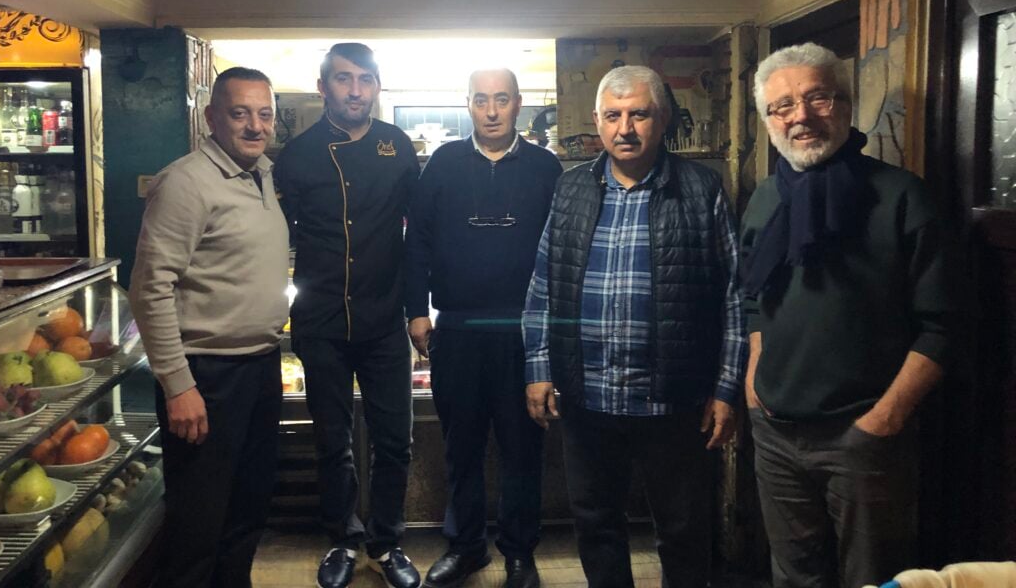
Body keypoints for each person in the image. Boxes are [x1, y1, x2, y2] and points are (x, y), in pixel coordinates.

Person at [740, 43, 956, 588]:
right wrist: (754, 385)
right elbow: (751, 300)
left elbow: (944, 326)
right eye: (782, 106)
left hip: (862, 435)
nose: (801, 116)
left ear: (845, 103)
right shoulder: (766, 198)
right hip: (777, 431)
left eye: (817, 97)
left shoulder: (901, 197)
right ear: (768, 120)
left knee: (876, 578)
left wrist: (881, 421)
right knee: (794, 578)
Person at [523, 65, 747, 588]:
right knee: (597, 525)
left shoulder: (701, 189)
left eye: (639, 114)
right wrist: (537, 369)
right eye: (612, 115)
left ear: (662, 119)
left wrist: (727, 388)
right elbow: (542, 287)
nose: (625, 128)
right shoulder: (570, 188)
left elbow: (735, 296)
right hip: (587, 396)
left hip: (672, 399)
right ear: (598, 122)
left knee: (684, 529)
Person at [129, 67, 288, 587]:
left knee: (246, 512)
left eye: (264, 114)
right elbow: (149, 288)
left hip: (258, 367)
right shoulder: (186, 182)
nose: (254, 125)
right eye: (240, 113)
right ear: (211, 118)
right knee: (199, 523)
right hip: (206, 377)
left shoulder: (262, 172)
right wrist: (178, 386)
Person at [405, 69, 562, 588]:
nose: (491, 111)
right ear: (467, 105)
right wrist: (416, 310)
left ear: (518, 104)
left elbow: (562, 252)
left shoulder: (545, 167)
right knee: (461, 446)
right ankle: (466, 546)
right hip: (459, 330)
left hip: (525, 332)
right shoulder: (445, 163)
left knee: (522, 449)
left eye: (501, 100)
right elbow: (417, 243)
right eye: (480, 100)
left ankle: (520, 552)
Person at [273, 43, 421, 588]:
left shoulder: (398, 146)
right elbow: (273, 236)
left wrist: (418, 310)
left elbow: (419, 235)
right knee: (332, 441)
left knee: (395, 441)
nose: (355, 90)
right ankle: (341, 538)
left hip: (385, 319)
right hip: (320, 322)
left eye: (364, 80)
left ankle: (386, 542)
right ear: (323, 87)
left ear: (377, 86)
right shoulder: (296, 155)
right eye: (343, 80)